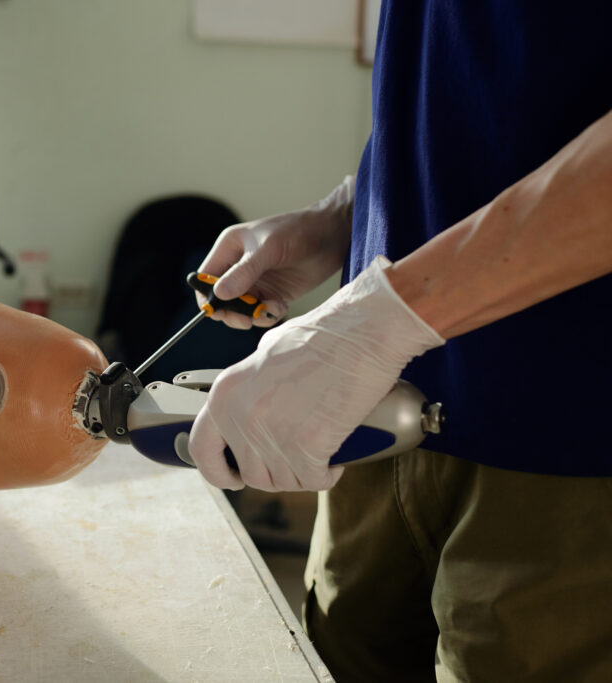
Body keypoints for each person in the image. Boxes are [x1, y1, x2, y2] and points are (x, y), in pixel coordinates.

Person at [187, 4, 612, 681]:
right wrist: (353, 213)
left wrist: (374, 322)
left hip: (570, 451)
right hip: (376, 422)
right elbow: (492, 83)